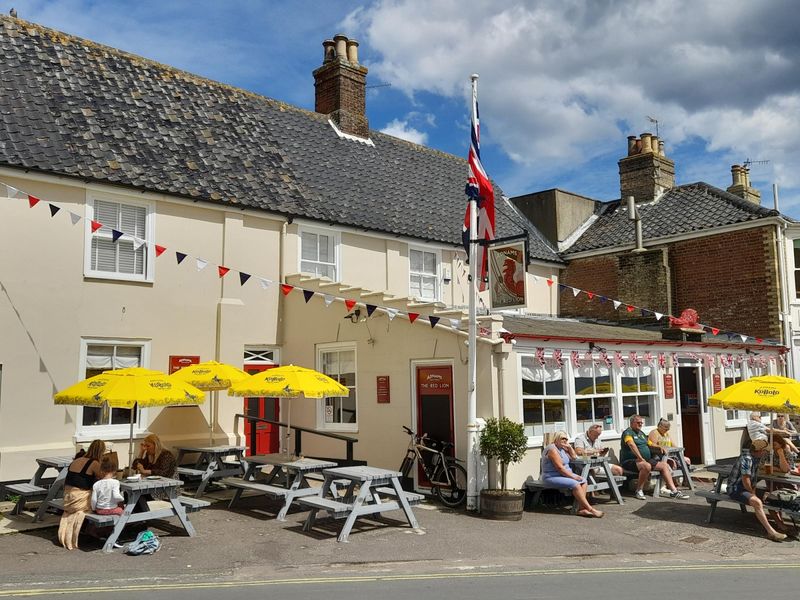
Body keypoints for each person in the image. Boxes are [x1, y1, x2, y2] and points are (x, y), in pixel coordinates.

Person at [727, 445, 788, 542]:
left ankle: (780, 525)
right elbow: (746, 480)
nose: (766, 453)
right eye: (765, 451)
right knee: (757, 502)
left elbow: (753, 479)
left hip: (745, 487)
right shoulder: (747, 459)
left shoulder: (755, 458)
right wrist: (753, 494)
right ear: (759, 450)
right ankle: (771, 532)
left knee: (771, 496)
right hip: (735, 489)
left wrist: (754, 491)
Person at [620, 415, 689, 500]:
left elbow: (650, 443)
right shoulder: (628, 433)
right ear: (632, 423)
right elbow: (631, 444)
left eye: (642, 422)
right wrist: (640, 458)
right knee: (646, 466)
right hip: (630, 461)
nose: (641, 424)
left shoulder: (641, 434)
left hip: (645, 460)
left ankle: (674, 491)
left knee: (664, 465)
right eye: (638, 422)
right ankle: (639, 490)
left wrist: (659, 447)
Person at [541, 431, 604, 518]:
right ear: (556, 439)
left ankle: (582, 509)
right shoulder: (552, 450)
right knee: (576, 484)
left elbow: (575, 457)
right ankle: (590, 509)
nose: (564, 440)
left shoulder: (562, 448)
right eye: (562, 438)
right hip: (552, 476)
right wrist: (573, 476)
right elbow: (560, 468)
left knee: (584, 481)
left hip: (563, 475)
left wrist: (570, 448)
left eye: (566, 439)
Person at [57, 439, 105, 550]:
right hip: (78, 498)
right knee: (100, 501)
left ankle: (87, 529)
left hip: (67, 496)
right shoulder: (94, 463)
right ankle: (94, 530)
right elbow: (102, 478)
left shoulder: (77, 460)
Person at [131, 433, 177, 501]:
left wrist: (145, 471)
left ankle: (143, 510)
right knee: (131, 493)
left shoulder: (166, 455)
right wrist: (141, 452)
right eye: (145, 446)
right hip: (154, 484)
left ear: (156, 445)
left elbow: (163, 472)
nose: (146, 448)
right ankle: (141, 510)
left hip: (167, 487)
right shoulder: (149, 454)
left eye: (148, 446)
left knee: (139, 494)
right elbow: (134, 466)